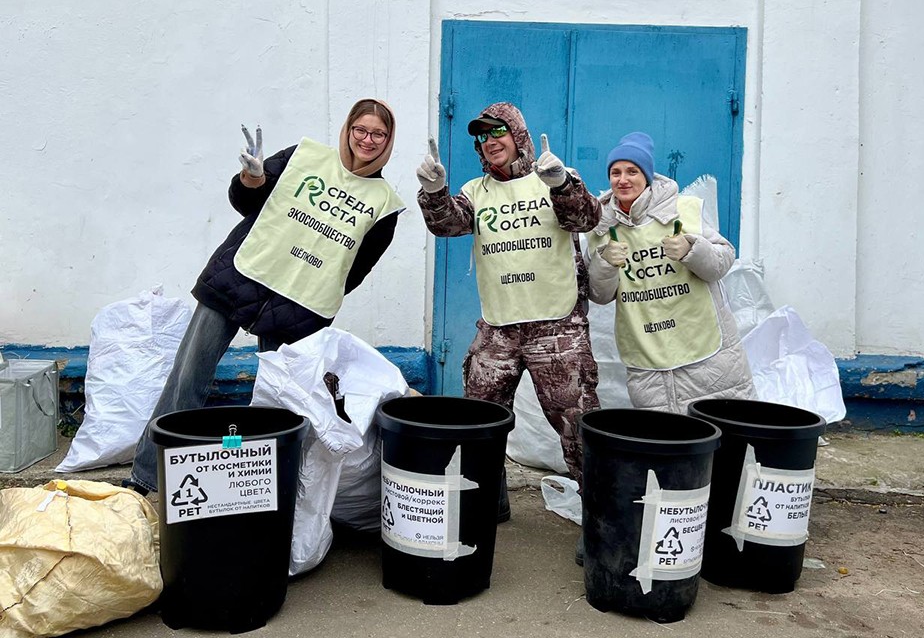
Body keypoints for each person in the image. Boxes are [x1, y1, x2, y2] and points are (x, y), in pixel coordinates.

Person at [125, 98, 404, 494]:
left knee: (279, 402)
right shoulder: (302, 158)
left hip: (298, 308)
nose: (368, 140)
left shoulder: (385, 205)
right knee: (187, 380)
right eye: (361, 129)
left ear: (389, 140)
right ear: (348, 129)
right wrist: (252, 178)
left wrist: (310, 278)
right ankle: (145, 476)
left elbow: (354, 270)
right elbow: (245, 203)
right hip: (239, 277)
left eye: (379, 133)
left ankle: (258, 493)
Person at [415, 102, 602, 511]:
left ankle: (600, 519)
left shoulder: (553, 178)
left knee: (576, 424)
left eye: (496, 132)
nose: (488, 142)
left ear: (517, 135)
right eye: (481, 137)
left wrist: (561, 185)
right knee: (479, 419)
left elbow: (586, 219)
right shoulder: (475, 191)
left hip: (556, 325)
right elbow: (446, 224)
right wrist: (433, 193)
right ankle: (485, 501)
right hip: (499, 328)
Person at [587, 131, 757, 414]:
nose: (623, 179)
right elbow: (600, 295)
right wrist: (604, 263)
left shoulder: (682, 210)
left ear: (647, 175)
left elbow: (722, 261)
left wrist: (692, 249)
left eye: (632, 171)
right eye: (615, 172)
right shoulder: (602, 226)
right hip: (647, 354)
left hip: (705, 351)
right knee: (667, 444)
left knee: (723, 435)